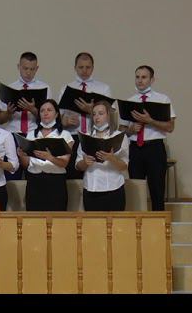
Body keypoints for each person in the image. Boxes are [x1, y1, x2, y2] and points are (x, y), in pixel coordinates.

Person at [120, 65, 176, 211]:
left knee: (157, 190)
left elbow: (170, 127)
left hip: (154, 148)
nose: (140, 80)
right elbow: (121, 130)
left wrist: (150, 121)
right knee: (136, 191)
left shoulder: (162, 99)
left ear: (152, 80)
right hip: (135, 149)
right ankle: (137, 222)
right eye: (137, 77)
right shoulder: (130, 101)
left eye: (144, 77)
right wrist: (131, 129)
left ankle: (159, 222)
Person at [58, 52, 113, 179]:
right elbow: (57, 117)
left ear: (93, 68)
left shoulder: (103, 88)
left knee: (95, 173)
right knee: (72, 176)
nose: (84, 70)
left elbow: (111, 116)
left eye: (88, 67)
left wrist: (91, 110)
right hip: (72, 136)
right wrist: (64, 121)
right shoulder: (66, 88)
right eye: (81, 67)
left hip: (95, 136)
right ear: (75, 68)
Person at [0, 52, 52, 180]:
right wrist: (8, 112)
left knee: (34, 173)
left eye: (32, 69)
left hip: (34, 135)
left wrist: (32, 109)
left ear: (37, 68)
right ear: (18, 67)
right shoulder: (9, 88)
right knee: (11, 174)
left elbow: (50, 119)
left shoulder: (44, 88)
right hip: (12, 135)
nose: (28, 72)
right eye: (25, 68)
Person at [17, 99, 74, 211]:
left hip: (55, 182)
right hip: (34, 181)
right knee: (34, 218)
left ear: (56, 114)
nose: (45, 113)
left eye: (49, 110)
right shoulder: (31, 134)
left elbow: (64, 163)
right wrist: (21, 155)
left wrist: (49, 157)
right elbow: (26, 164)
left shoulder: (65, 135)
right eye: (42, 110)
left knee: (56, 218)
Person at [75, 100, 129, 211]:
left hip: (114, 189)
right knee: (93, 222)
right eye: (94, 114)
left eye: (101, 113)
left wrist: (111, 158)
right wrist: (85, 162)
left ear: (109, 115)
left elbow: (124, 166)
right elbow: (78, 165)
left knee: (115, 221)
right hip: (91, 189)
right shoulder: (86, 137)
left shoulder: (119, 136)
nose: (96, 117)